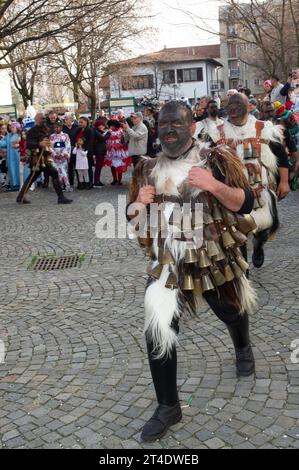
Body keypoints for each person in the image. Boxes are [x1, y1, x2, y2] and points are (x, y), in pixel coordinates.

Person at [127, 100, 257, 442]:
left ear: (192, 127)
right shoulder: (146, 168)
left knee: (229, 309)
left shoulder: (215, 158)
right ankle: (168, 406)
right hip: (167, 258)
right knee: (158, 326)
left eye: (177, 124)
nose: (169, 131)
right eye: (163, 125)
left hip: (210, 253)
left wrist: (212, 184)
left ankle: (242, 345)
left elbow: (245, 203)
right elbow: (133, 220)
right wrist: (138, 203)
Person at [197, 93, 290, 268]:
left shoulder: (265, 128)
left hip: (261, 191)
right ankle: (242, 270)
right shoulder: (216, 133)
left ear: (248, 107)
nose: (233, 108)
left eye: (238, 104)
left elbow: (281, 156)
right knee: (236, 237)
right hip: (234, 195)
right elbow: (204, 159)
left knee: (263, 228)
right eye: (229, 105)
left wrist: (284, 182)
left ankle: (259, 244)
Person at [16, 113, 72, 204]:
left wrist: (49, 143)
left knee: (33, 177)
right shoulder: (32, 131)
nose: (43, 120)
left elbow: (47, 139)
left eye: (44, 119)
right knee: (54, 173)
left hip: (45, 155)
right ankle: (61, 197)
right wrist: (40, 144)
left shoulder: (45, 128)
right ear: (37, 119)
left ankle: (20, 197)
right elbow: (29, 145)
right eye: (42, 119)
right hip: (37, 158)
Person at [105, 119, 131, 185]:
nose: (111, 127)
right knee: (112, 165)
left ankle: (119, 180)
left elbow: (125, 140)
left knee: (119, 165)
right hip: (112, 151)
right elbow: (106, 139)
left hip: (119, 151)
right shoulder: (108, 131)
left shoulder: (121, 131)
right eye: (110, 125)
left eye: (112, 126)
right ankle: (114, 179)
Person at [50, 121, 72, 191]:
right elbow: (50, 147)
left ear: (61, 127)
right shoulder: (52, 136)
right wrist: (55, 154)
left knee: (64, 171)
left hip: (63, 157)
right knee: (56, 172)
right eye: (55, 127)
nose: (56, 129)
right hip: (55, 157)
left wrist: (62, 154)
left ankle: (67, 186)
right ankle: (58, 186)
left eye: (57, 127)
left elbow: (68, 146)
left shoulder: (65, 136)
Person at [0, 121, 21, 191]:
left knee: (19, 171)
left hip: (19, 157)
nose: (11, 129)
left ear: (17, 128)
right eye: (11, 127)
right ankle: (14, 185)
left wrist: (19, 145)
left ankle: (21, 185)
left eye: (13, 127)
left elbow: (26, 144)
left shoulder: (21, 135)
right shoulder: (8, 136)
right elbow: (3, 143)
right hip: (10, 157)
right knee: (12, 170)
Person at [74, 117, 94, 189]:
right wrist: (76, 146)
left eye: (82, 122)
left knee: (87, 168)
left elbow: (90, 142)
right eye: (79, 122)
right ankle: (81, 183)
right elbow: (75, 138)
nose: (80, 123)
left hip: (86, 152)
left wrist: (83, 148)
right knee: (79, 169)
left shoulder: (89, 130)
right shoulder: (78, 129)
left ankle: (89, 183)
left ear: (86, 122)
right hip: (78, 152)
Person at [63, 114, 79, 189]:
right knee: (69, 167)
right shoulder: (63, 128)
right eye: (66, 119)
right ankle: (70, 182)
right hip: (66, 150)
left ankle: (80, 182)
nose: (68, 121)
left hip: (75, 148)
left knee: (77, 166)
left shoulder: (76, 127)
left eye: (69, 119)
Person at [93, 119, 110, 187]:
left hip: (101, 151)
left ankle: (97, 180)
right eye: (102, 125)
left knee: (99, 166)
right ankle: (96, 181)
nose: (103, 126)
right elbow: (103, 138)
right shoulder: (96, 131)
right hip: (98, 151)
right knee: (98, 166)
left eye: (103, 125)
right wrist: (109, 133)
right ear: (98, 125)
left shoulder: (98, 131)